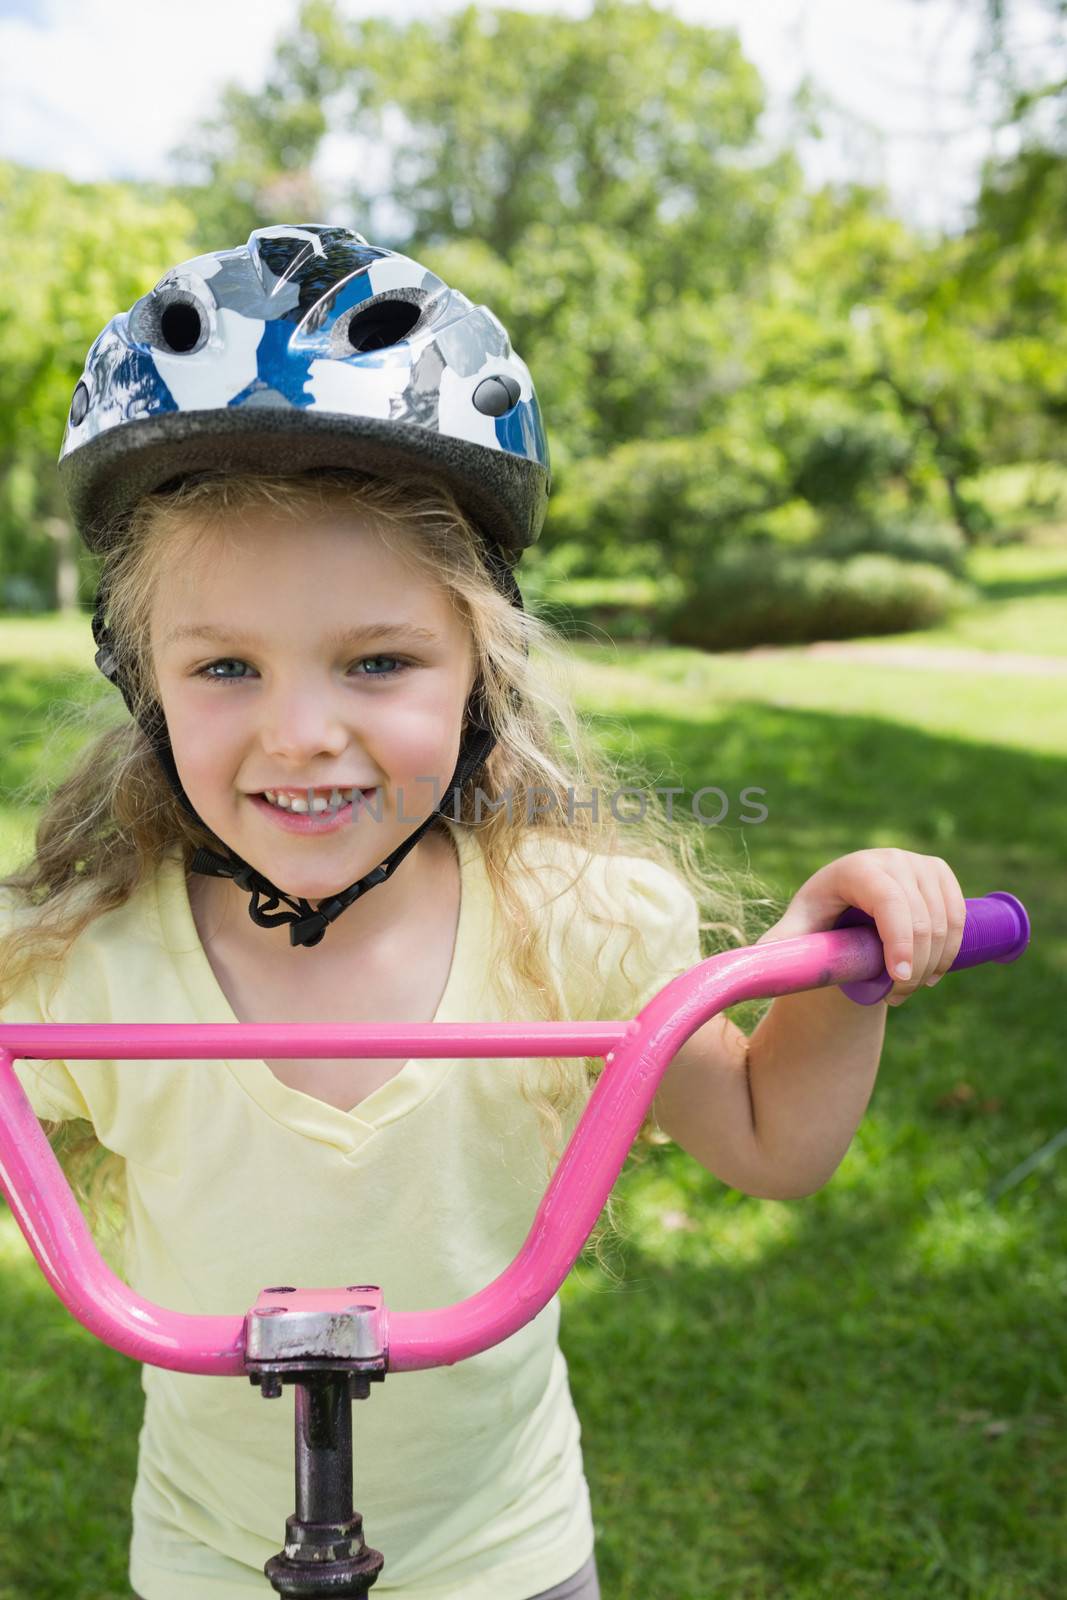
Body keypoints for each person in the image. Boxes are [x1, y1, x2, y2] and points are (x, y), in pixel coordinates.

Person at [0, 224, 967, 1600]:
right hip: (209, 1556)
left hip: (504, 1553)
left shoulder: (571, 927)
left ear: (481, 676)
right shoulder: (78, 961)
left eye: (377, 660)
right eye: (225, 666)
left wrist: (832, 967)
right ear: (145, 684)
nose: (301, 733)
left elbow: (769, 1140)